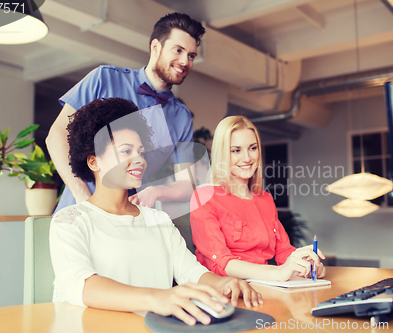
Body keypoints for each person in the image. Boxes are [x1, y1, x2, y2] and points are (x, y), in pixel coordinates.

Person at [49, 98, 262, 326]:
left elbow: (191, 271)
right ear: (93, 162)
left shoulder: (157, 220)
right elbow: (82, 285)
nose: (139, 159)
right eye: (126, 151)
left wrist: (223, 283)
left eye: (141, 151)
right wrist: (158, 297)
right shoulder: (70, 221)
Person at [47, 12, 205, 213]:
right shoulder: (103, 78)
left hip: (127, 221)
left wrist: (156, 191)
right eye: (178, 50)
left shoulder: (181, 117)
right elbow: (56, 136)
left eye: (191, 56)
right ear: (155, 47)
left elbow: (186, 184)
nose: (185, 61)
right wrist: (82, 196)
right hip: (78, 210)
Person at [190, 116, 326, 281]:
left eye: (252, 148)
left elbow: (283, 251)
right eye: (236, 150)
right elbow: (222, 262)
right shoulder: (204, 197)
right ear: (222, 153)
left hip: (264, 286)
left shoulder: (265, 199)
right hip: (225, 293)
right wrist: (277, 273)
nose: (247, 158)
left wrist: (305, 264)